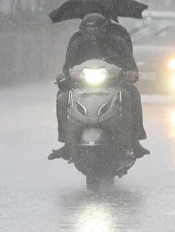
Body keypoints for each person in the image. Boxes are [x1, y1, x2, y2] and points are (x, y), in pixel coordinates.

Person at [48, 13, 150, 160]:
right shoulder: (76, 43)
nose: (92, 35)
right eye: (88, 31)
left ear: (105, 29)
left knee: (130, 94)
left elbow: (131, 67)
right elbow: (67, 69)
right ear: (82, 30)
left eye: (96, 31)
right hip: (81, 85)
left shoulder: (118, 42)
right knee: (62, 98)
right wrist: (63, 76)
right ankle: (67, 143)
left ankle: (133, 141)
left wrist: (130, 73)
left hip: (114, 83)